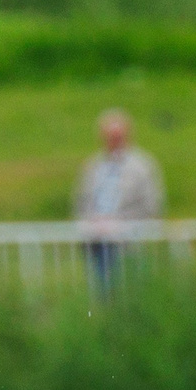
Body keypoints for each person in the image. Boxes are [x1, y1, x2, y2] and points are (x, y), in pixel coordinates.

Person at [73, 109, 164, 294]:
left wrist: (119, 223)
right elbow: (80, 201)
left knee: (131, 291)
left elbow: (152, 206)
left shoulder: (142, 166)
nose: (114, 141)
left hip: (129, 243)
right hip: (97, 242)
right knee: (102, 292)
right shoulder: (93, 165)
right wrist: (90, 222)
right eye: (110, 136)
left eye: (118, 136)